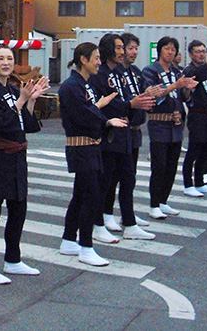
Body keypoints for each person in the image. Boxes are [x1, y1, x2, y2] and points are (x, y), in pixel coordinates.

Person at [0, 45, 49, 284]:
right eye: (0, 58)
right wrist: (21, 102)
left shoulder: (14, 89)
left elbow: (26, 125)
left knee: (19, 208)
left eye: (9, 58)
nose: (5, 62)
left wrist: (30, 101)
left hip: (18, 156)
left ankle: (13, 259)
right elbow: (2, 123)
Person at [58, 42, 125, 267]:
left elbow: (91, 110)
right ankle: (86, 246)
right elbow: (83, 115)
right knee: (90, 196)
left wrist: (100, 108)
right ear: (83, 60)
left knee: (81, 194)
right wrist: (105, 118)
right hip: (80, 147)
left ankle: (69, 239)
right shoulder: (71, 86)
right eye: (95, 58)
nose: (99, 62)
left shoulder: (85, 85)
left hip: (91, 146)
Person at [89, 34, 155, 244]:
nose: (122, 52)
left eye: (122, 48)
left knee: (128, 178)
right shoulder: (100, 75)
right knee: (105, 181)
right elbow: (105, 103)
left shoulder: (123, 74)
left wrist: (136, 103)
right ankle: (98, 223)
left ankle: (130, 222)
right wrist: (130, 105)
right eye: (118, 48)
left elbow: (128, 99)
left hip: (126, 132)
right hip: (109, 134)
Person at [141, 37, 197, 220]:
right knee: (159, 165)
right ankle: (154, 204)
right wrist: (176, 85)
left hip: (176, 124)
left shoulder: (176, 71)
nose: (171, 52)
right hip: (159, 123)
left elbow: (183, 96)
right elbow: (154, 94)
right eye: (167, 48)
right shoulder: (150, 70)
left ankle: (163, 200)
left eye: (173, 49)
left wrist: (187, 88)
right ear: (160, 50)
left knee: (172, 165)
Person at [181, 40, 207, 197]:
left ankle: (199, 181)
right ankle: (188, 184)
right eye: (197, 51)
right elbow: (201, 71)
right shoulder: (190, 70)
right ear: (191, 54)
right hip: (197, 114)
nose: (201, 54)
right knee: (194, 149)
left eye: (203, 51)